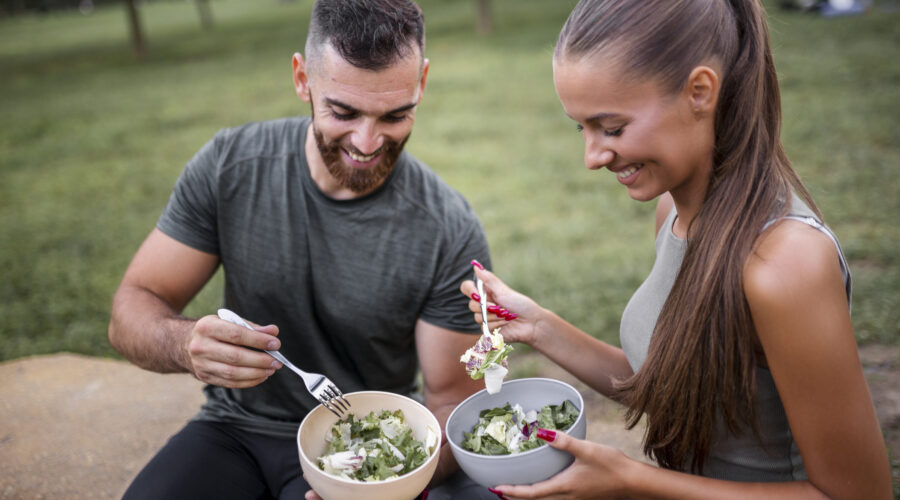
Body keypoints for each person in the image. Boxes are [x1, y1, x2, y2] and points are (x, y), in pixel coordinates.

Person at [461, 0, 893, 498]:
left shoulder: (785, 265)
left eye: (613, 128)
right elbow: (671, 379)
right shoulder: (673, 211)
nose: (592, 156)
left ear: (700, 92)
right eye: (581, 128)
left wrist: (631, 480)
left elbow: (857, 494)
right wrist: (539, 326)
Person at [108, 1, 497, 498]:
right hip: (236, 429)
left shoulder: (448, 227)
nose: (367, 141)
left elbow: (449, 408)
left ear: (420, 83)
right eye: (343, 111)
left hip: (364, 442)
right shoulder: (230, 167)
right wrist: (183, 344)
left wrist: (386, 485)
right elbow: (131, 308)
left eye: (396, 115)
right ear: (301, 79)